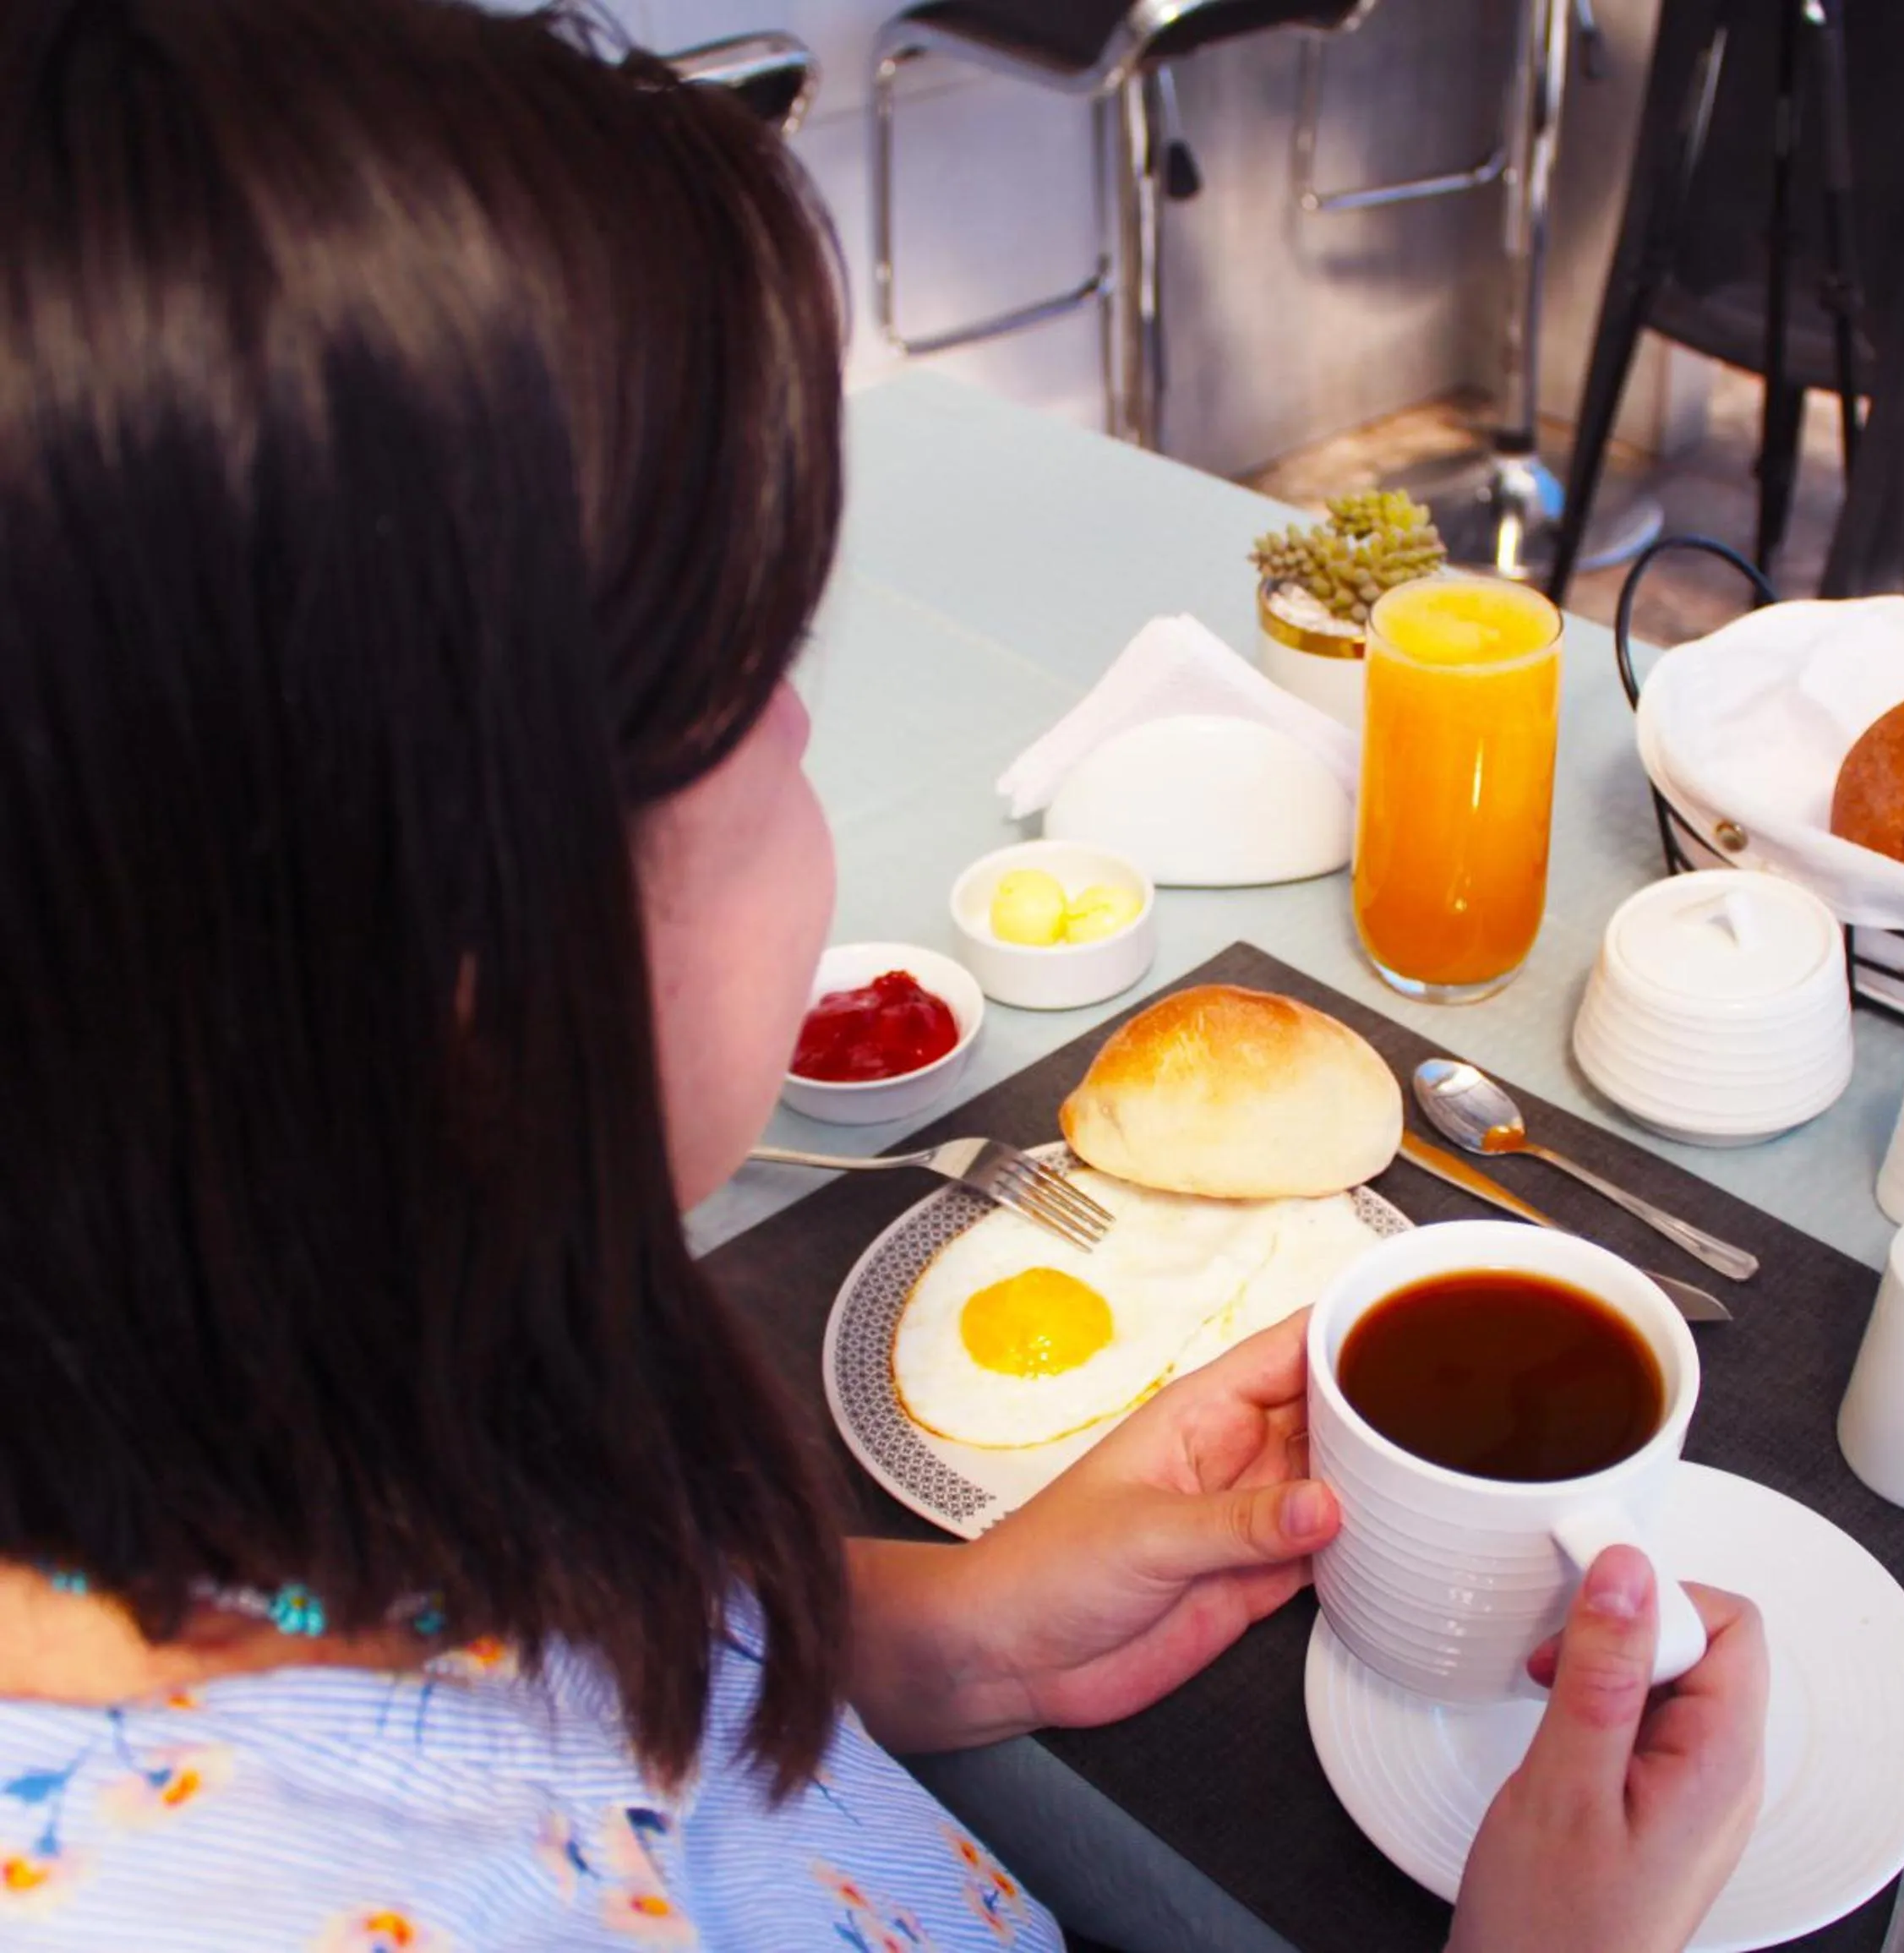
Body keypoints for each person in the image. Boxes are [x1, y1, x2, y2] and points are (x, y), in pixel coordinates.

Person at [0, 2, 1767, 1947]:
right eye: (753, 691)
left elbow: (485, 1646)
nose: (805, 750)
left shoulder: (279, 1384)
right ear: (449, 961)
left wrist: (923, 1634)